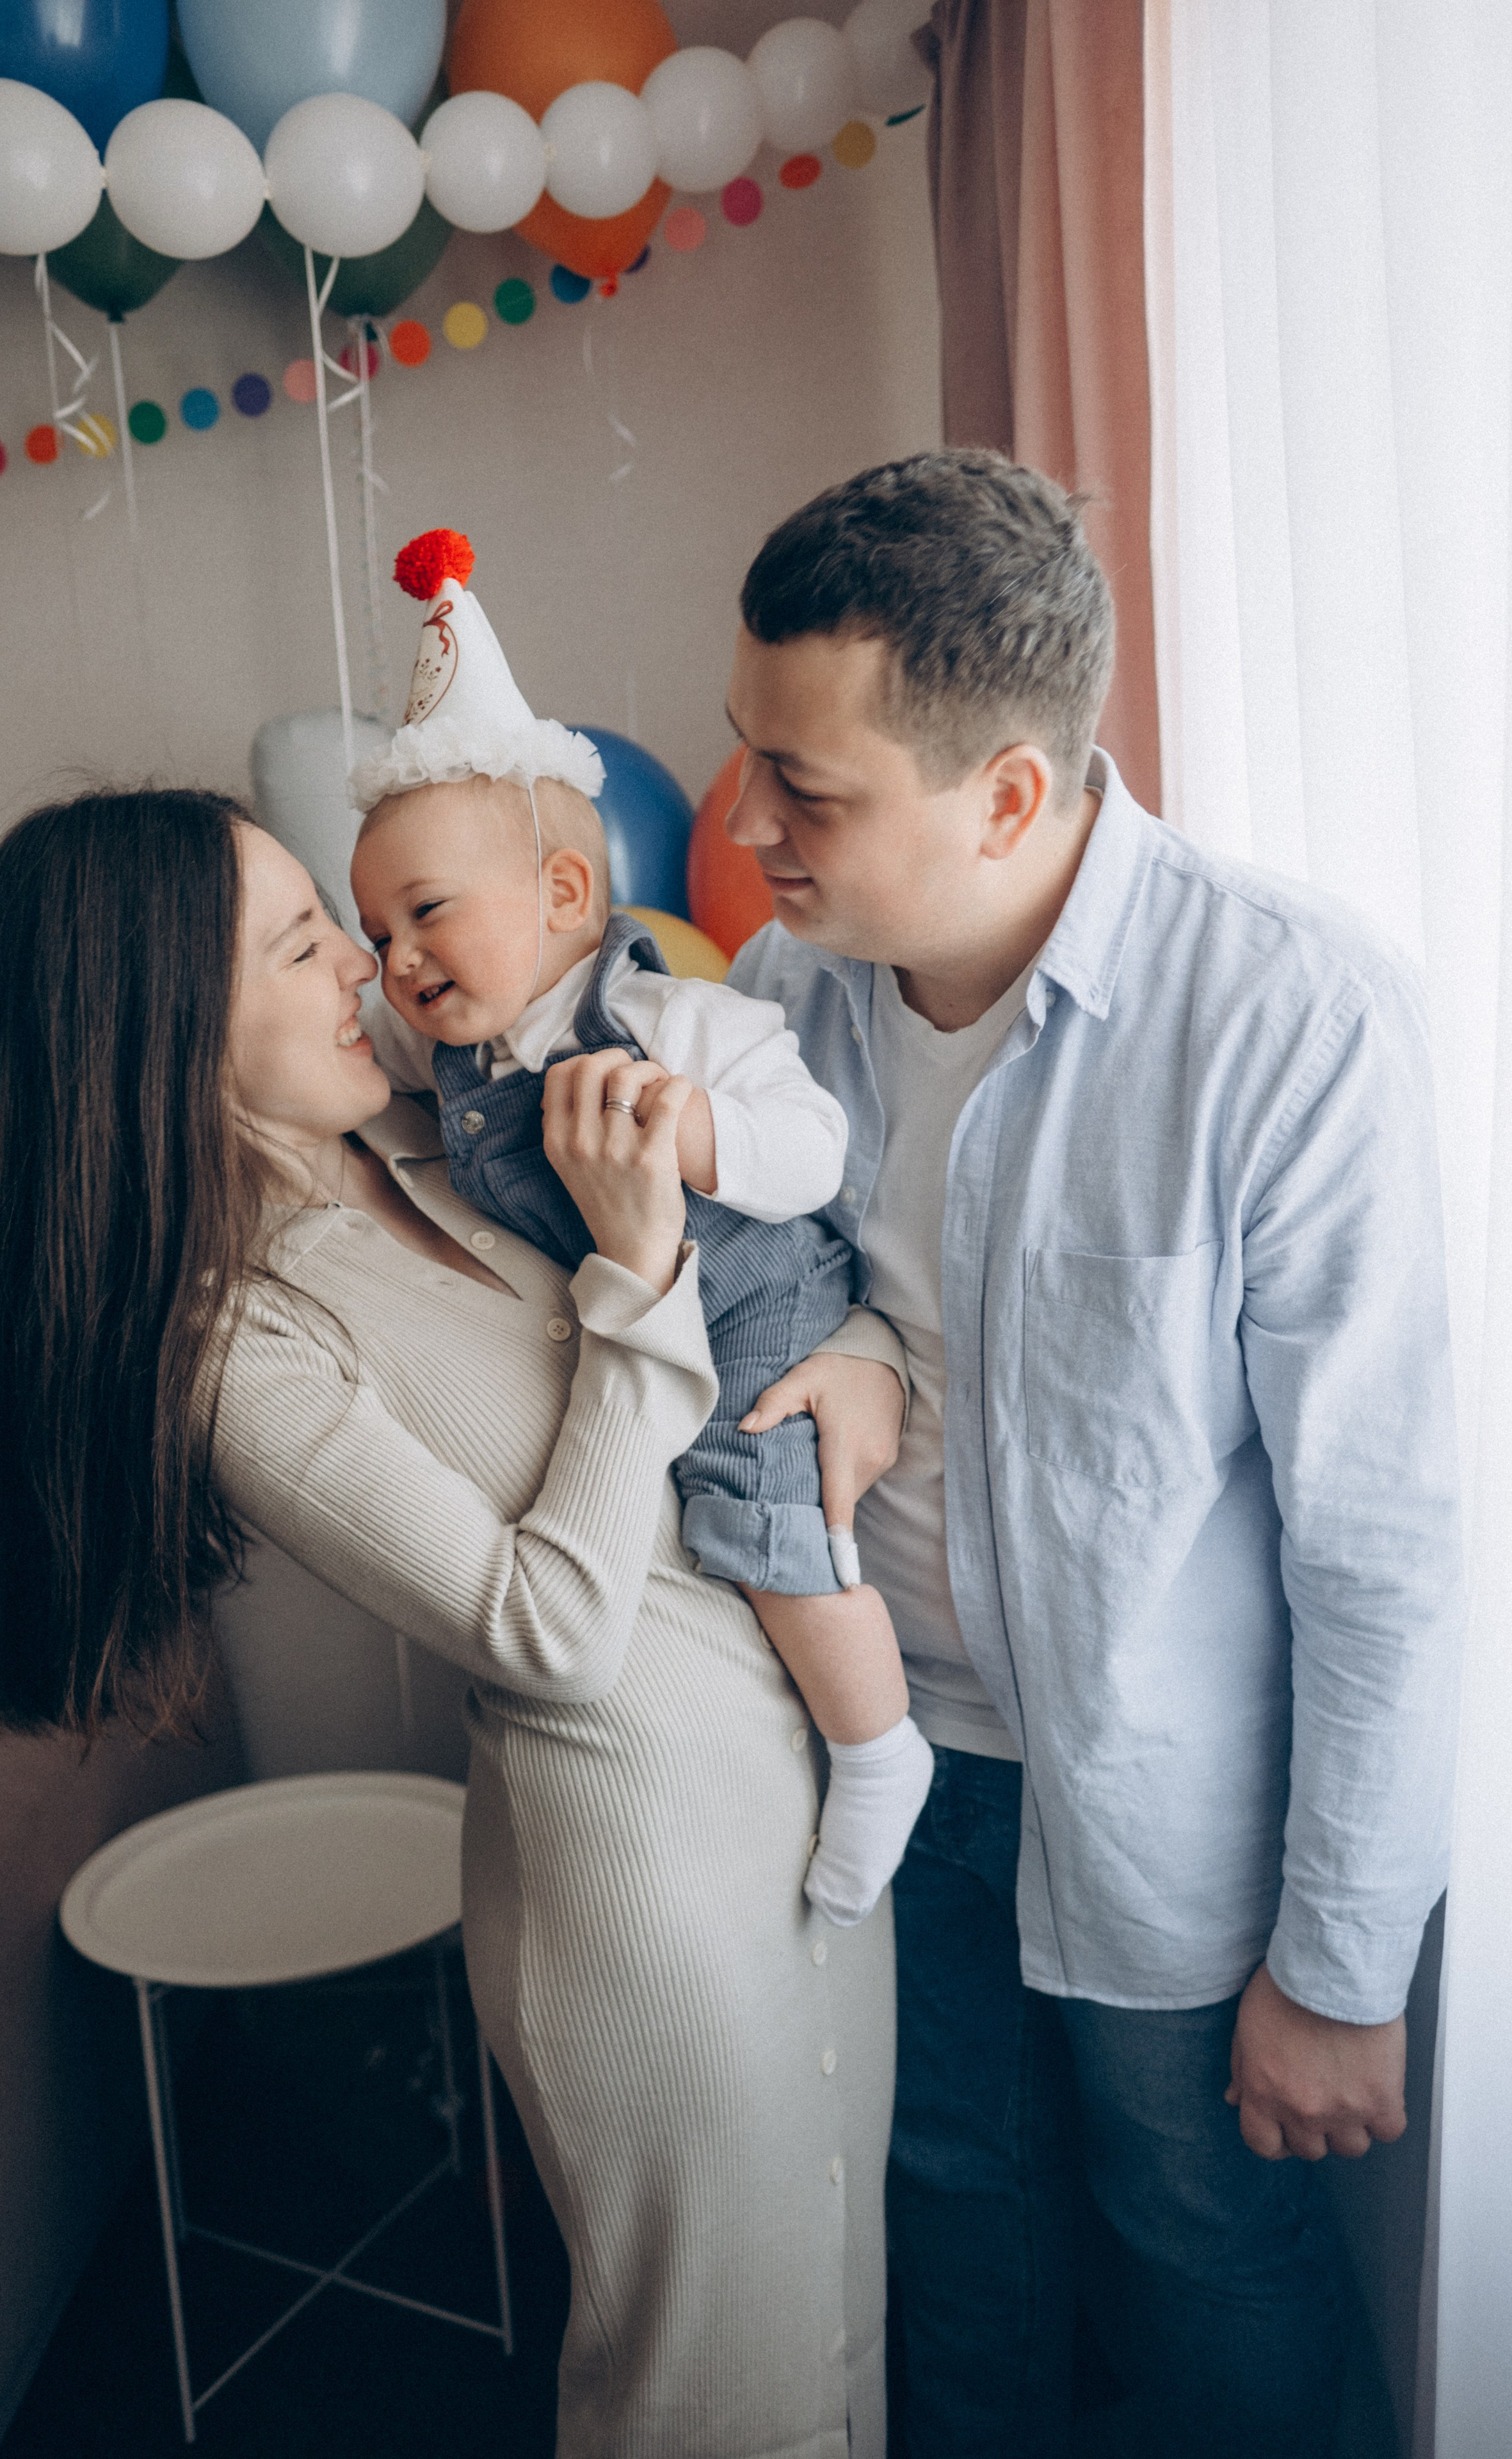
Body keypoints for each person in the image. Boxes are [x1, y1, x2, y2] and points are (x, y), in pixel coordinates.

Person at [0, 785, 909, 2458]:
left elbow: (756, 1277)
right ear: (164, 1031)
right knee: (710, 2400)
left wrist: (861, 1359)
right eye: (301, 941)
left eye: (344, 923)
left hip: (799, 1812)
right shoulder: (235, 1344)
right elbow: (548, 1630)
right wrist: (637, 1278)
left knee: (834, 2330)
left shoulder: (440, 1137)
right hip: (644, 1889)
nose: (362, 967)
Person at [720, 450, 1465, 2457]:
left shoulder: (1290, 1016)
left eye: (806, 785)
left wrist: (1341, 1965)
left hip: (1176, 1816)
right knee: (952, 2243)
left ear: (1009, 795)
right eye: (743, 755)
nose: (747, 823)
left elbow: (1381, 1541)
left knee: (1203, 2262)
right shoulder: (779, 1001)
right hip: (890, 1767)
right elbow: (770, 1306)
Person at [348, 526, 933, 1926]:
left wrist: (696, 1131)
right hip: (647, 1319)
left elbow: (813, 1150)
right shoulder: (451, 1049)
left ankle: (877, 1747)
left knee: (761, 1518)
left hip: (757, 1301)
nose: (400, 960)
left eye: (426, 915)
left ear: (562, 894)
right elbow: (361, 1060)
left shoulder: (672, 1014)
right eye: (374, 934)